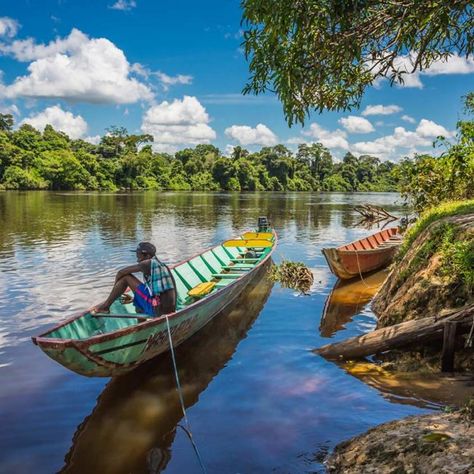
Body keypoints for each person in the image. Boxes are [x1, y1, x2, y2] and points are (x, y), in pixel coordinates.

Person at [91, 242, 176, 317]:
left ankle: (105, 307)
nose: (138, 260)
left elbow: (120, 272)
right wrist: (134, 297)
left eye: (139, 257)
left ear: (148, 256)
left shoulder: (147, 264)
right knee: (137, 300)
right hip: (168, 309)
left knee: (126, 278)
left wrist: (115, 291)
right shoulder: (162, 266)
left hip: (158, 310)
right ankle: (141, 326)